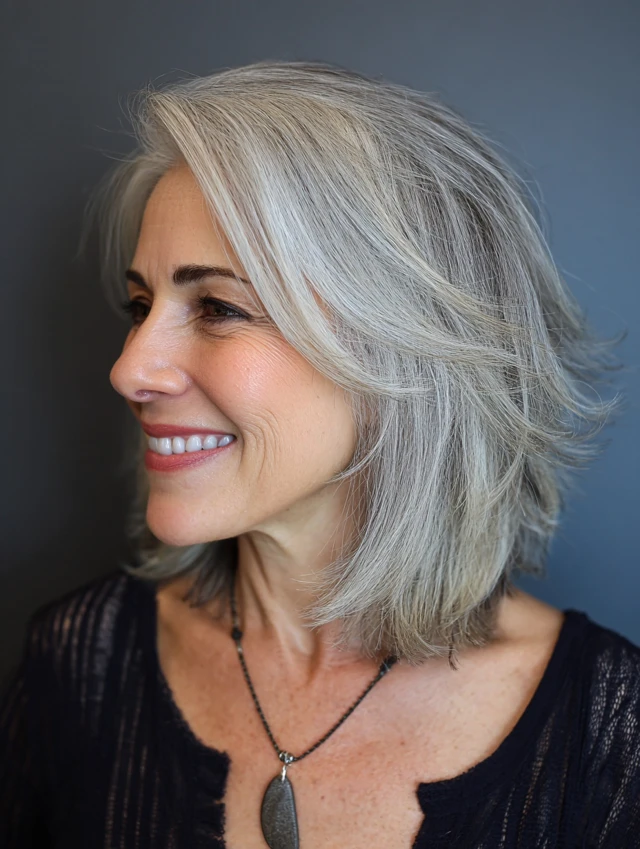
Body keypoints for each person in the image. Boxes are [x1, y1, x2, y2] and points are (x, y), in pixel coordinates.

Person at [1, 59, 638, 849]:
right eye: (141, 305)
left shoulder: (608, 739)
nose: (129, 369)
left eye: (218, 307)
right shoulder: (79, 666)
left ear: (403, 348)